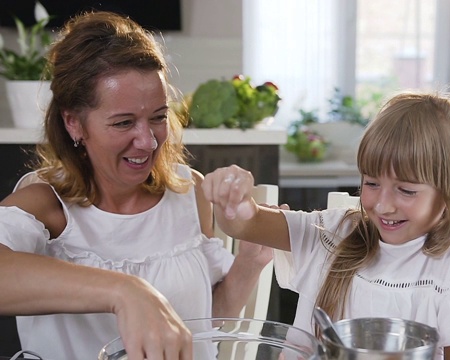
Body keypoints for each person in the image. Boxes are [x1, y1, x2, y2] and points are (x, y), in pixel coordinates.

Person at [0, 11, 272, 360]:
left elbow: (200, 330)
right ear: (73, 123)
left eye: (158, 117)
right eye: (124, 122)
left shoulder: (189, 193)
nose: (147, 141)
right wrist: (124, 291)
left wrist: (250, 259)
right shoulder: (45, 206)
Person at [203, 92, 450, 359]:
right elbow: (249, 225)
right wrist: (234, 200)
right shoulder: (334, 233)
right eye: (371, 183)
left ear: (448, 193)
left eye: (406, 190)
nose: (382, 204)